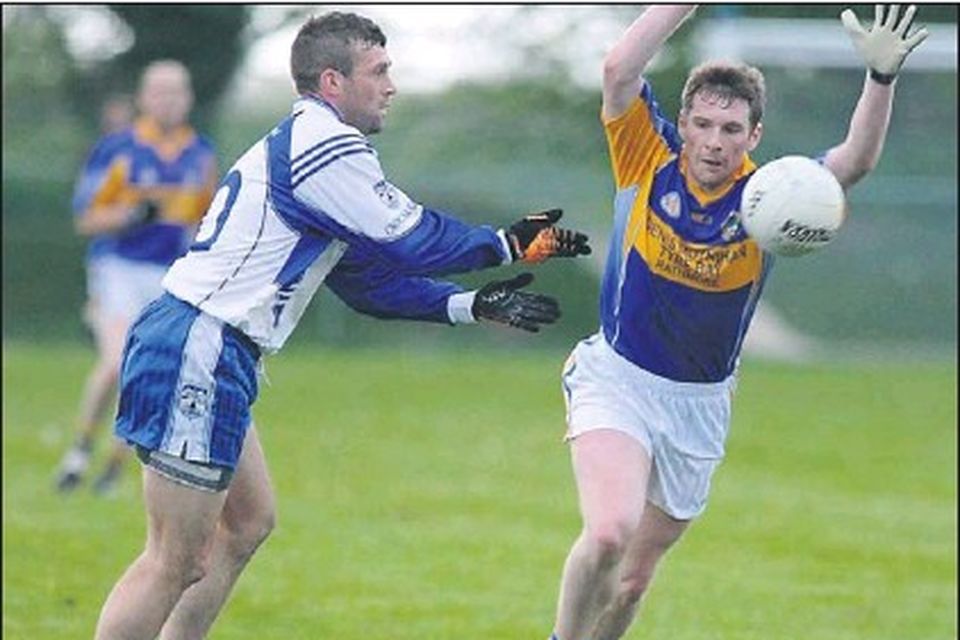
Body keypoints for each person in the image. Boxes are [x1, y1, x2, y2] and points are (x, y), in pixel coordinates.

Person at [92, 12, 589, 639]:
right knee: (173, 559)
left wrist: (469, 305)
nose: (392, 85)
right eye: (379, 71)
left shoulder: (315, 148)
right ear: (332, 82)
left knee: (247, 524)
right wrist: (506, 243)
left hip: (212, 344)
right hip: (200, 342)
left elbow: (367, 281)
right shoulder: (326, 144)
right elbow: (407, 236)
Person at [549, 5, 927, 640]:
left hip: (699, 402)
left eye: (730, 128)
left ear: (754, 136)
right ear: (686, 124)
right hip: (617, 377)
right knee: (610, 530)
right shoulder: (646, 156)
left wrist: (879, 79)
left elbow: (854, 163)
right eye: (702, 124)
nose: (714, 140)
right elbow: (617, 68)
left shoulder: (773, 194)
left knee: (635, 579)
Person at [56, 61, 218, 495]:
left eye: (177, 91)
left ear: (188, 99)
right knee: (115, 363)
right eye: (159, 91)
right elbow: (86, 219)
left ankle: (112, 468)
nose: (169, 99)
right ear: (144, 98)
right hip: (118, 270)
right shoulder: (118, 150)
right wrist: (131, 215)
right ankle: (79, 450)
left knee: (147, 372)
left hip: (170, 278)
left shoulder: (200, 154)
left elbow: (205, 219)